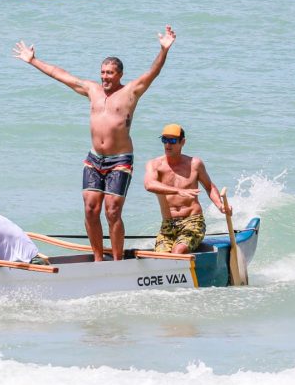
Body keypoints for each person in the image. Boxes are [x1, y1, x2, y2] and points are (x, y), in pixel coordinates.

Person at [13, 26, 177, 261]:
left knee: (112, 212)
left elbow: (153, 72)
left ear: (119, 74)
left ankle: (118, 262)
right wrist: (33, 60)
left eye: (110, 73)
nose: (105, 77)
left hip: (119, 160)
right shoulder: (92, 90)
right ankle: (99, 260)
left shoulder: (131, 91)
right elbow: (62, 75)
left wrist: (164, 50)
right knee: (91, 209)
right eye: (103, 72)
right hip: (94, 159)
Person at [144, 124, 231, 254]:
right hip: (168, 225)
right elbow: (149, 184)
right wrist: (178, 190)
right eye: (164, 140)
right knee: (161, 256)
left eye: (172, 141)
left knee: (178, 251)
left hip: (193, 221)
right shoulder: (155, 165)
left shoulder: (195, 164)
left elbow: (209, 186)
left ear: (182, 142)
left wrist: (220, 205)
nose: (168, 145)